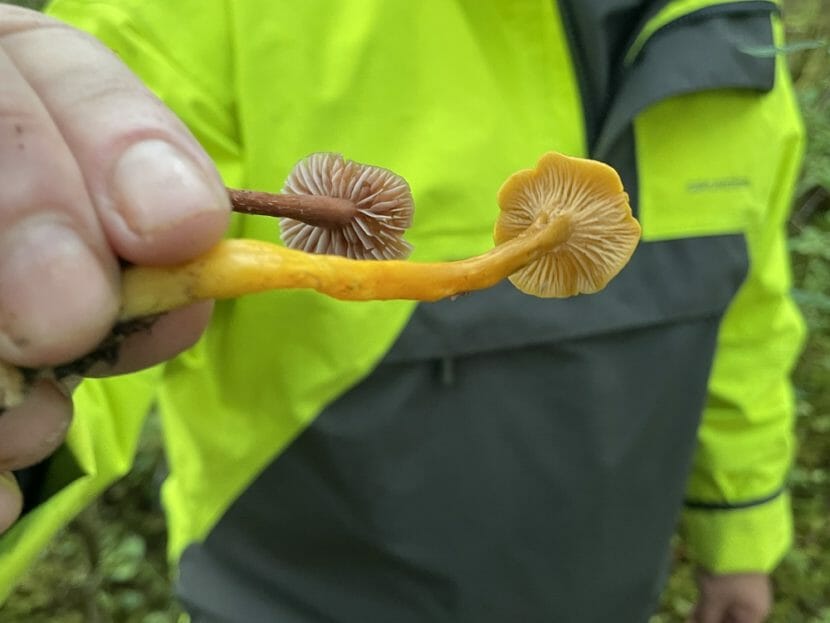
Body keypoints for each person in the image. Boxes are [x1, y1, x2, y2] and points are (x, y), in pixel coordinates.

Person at [0, 1, 805, 621]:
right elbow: (84, 329)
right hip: (297, 595)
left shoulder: (735, 35)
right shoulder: (215, 16)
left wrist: (739, 533)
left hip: (603, 585)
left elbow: (743, 317)